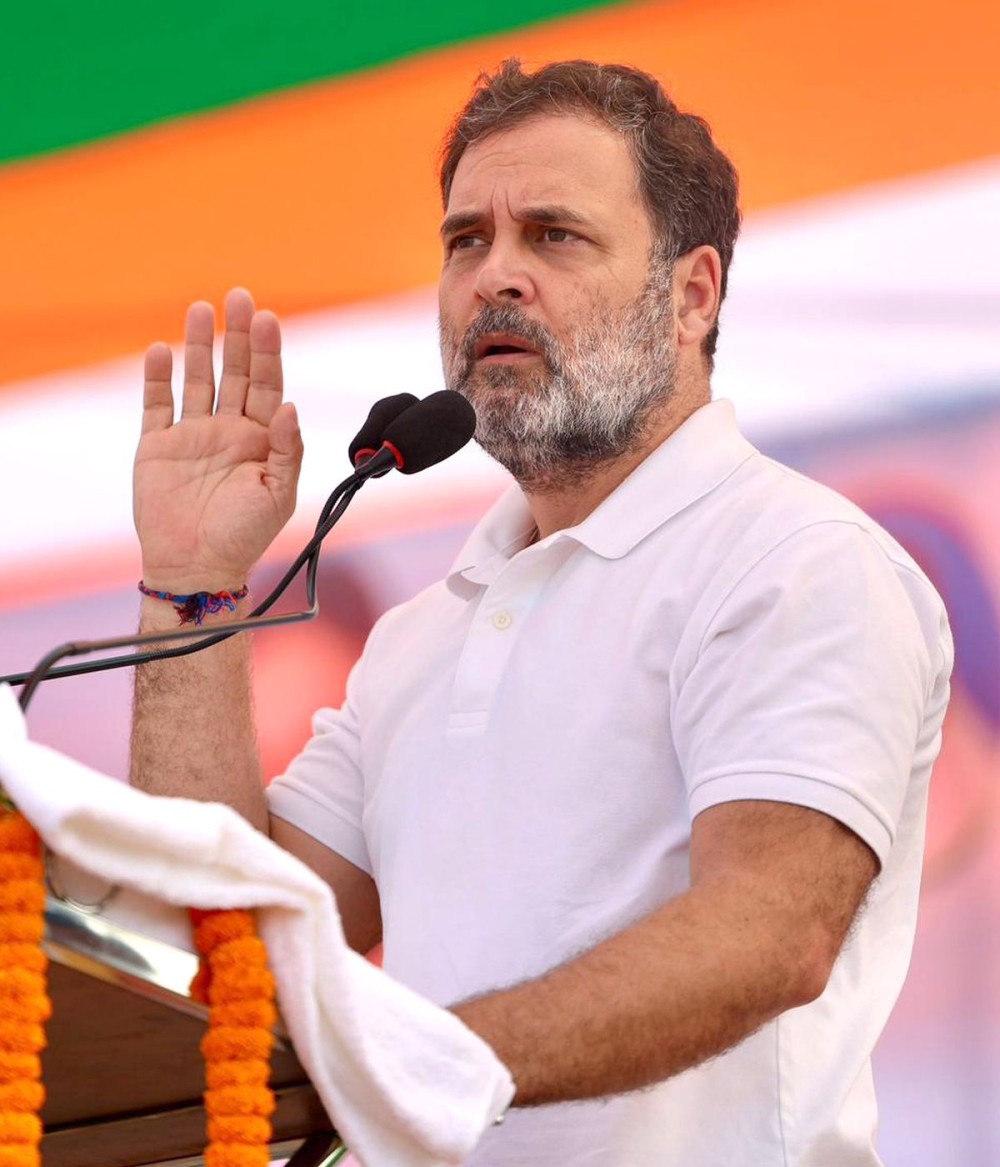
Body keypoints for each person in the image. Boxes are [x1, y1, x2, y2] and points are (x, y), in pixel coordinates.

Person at [130, 60, 953, 1166]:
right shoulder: (418, 639)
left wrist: (424, 1068)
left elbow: (772, 933)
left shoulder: (796, 562)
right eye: (466, 240)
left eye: (553, 235)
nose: (493, 279)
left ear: (690, 295)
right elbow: (228, 937)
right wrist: (193, 584)